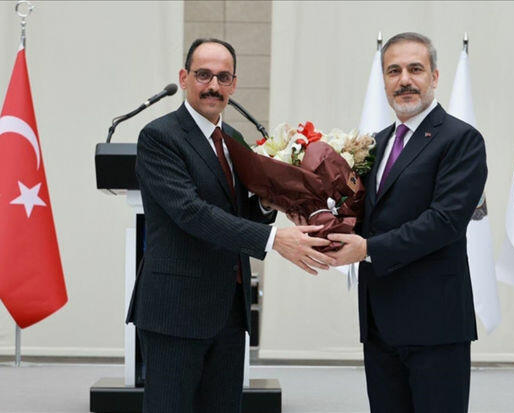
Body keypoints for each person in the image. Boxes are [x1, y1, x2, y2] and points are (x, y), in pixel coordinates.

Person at [126, 38, 334, 413]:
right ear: (184, 78)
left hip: (229, 312)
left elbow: (237, 213)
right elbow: (191, 213)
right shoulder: (159, 137)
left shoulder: (233, 140)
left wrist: (271, 201)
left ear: (234, 84)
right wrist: (273, 239)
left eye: (223, 77)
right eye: (203, 75)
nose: (214, 86)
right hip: (176, 312)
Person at [328, 32, 487, 412]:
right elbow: (363, 214)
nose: (404, 80)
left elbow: (445, 221)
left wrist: (367, 248)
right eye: (393, 71)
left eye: (415, 69)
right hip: (379, 323)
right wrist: (319, 217)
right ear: (383, 80)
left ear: (435, 76)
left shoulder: (461, 140)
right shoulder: (374, 144)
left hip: (435, 324)